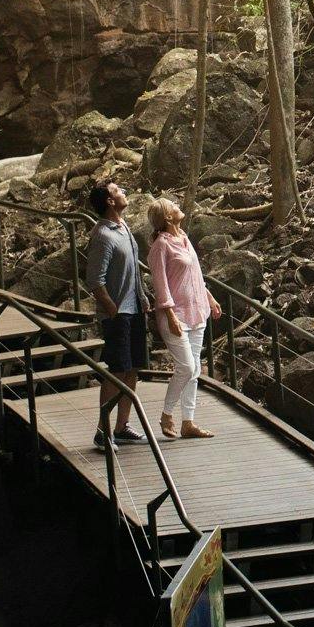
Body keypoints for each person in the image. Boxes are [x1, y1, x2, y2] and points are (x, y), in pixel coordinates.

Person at [146, 196, 221, 440]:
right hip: (175, 314)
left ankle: (188, 422)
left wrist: (209, 298)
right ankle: (167, 414)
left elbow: (195, 275)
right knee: (186, 367)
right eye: (174, 206)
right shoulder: (160, 246)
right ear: (167, 217)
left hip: (196, 311)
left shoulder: (184, 238)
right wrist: (170, 315)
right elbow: (160, 285)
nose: (179, 206)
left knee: (195, 368)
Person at [85, 180, 147, 450]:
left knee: (132, 368)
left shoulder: (123, 227)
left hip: (135, 309)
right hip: (118, 314)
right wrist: (112, 310)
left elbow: (134, 269)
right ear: (110, 201)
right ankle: (103, 431)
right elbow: (94, 280)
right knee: (117, 371)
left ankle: (122, 426)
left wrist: (143, 297)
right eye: (118, 190)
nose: (124, 191)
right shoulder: (102, 235)